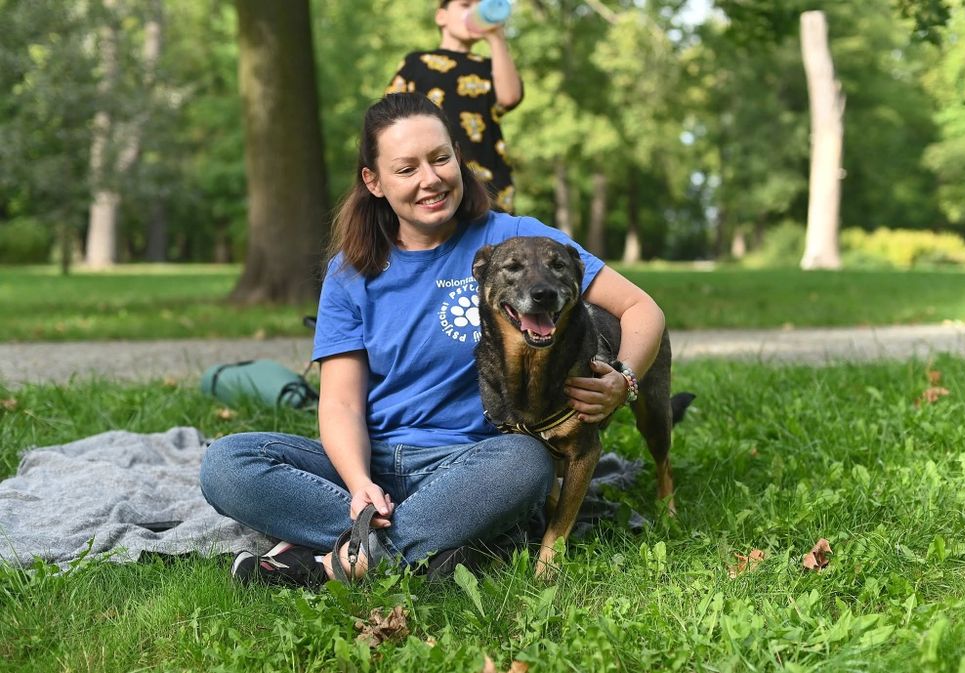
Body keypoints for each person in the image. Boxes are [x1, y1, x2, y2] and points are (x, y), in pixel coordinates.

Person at [199, 93, 666, 589]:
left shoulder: (516, 241)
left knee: (527, 467)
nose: (431, 179)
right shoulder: (350, 271)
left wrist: (625, 379)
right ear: (373, 181)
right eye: (406, 168)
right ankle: (424, 547)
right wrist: (358, 485)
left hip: (475, 463)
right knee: (227, 463)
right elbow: (340, 404)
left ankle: (325, 561)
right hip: (373, 458)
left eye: (441, 158)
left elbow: (643, 310)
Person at [386, 0, 522, 213]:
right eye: (466, 5)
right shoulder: (417, 63)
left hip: (487, 182)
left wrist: (496, 37)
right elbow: (389, 119)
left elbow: (509, 98)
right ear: (441, 17)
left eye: (480, 5)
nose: (475, 11)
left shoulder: (490, 67)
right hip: (431, 180)